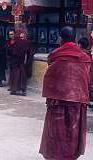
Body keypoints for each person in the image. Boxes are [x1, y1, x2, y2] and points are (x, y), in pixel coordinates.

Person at [39, 26, 91, 160]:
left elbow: (52, 76)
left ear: (60, 39)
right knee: (73, 129)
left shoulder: (55, 55)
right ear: (75, 38)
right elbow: (86, 78)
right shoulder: (84, 57)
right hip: (77, 99)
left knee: (58, 130)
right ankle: (71, 155)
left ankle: (56, 155)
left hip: (58, 100)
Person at [6, 29, 31, 96]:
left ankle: (23, 90)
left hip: (20, 60)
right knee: (14, 75)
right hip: (13, 61)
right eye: (10, 34)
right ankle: (14, 89)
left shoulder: (20, 41)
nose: (11, 36)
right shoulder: (9, 42)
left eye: (12, 34)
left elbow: (26, 50)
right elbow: (8, 51)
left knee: (21, 75)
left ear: (15, 34)